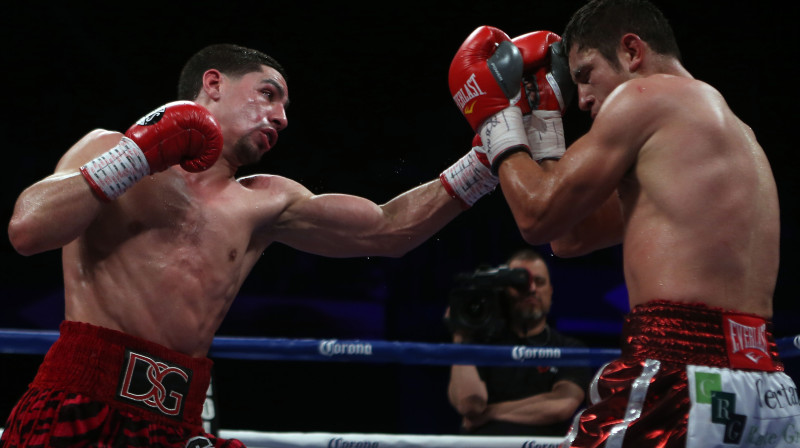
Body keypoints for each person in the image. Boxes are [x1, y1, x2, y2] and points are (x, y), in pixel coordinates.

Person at [2, 43, 498, 448]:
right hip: (82, 398)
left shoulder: (265, 202)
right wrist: (134, 157)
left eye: (284, 109)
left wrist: (490, 156)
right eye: (268, 94)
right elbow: (27, 230)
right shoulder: (110, 149)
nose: (281, 118)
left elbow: (387, 230)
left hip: (177, 423)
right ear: (213, 84)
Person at [446, 1, 800, 447]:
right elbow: (569, 235)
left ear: (632, 51)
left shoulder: (645, 96)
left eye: (585, 75)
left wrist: (496, 117)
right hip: (767, 390)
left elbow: (535, 216)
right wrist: (546, 125)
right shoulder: (729, 135)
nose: (584, 100)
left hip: (681, 373)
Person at [446, 248, 590, 436]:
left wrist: (490, 413)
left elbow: (561, 405)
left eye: (539, 282)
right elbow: (470, 406)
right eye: (520, 284)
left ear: (551, 291)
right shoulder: (481, 345)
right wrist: (461, 336)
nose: (531, 289)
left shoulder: (570, 348)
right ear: (504, 291)